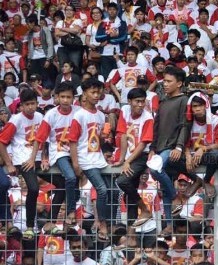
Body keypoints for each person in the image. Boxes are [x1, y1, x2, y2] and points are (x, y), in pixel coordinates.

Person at [68, 78, 116, 242]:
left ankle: (110, 222)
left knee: (114, 190)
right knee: (101, 190)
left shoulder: (101, 115)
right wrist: (75, 163)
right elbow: (72, 141)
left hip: (99, 158)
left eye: (98, 92)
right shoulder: (79, 115)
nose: (97, 95)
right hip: (85, 159)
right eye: (93, 92)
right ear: (85, 94)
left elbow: (100, 140)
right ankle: (102, 224)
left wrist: (104, 137)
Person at [148, 66, 191, 235]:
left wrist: (179, 146)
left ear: (179, 83)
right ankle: (169, 224)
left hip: (172, 147)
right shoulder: (163, 101)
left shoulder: (183, 100)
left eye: (168, 81)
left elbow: (185, 125)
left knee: (154, 169)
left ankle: (175, 197)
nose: (164, 84)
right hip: (160, 148)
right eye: (164, 81)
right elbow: (156, 127)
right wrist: (152, 148)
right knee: (164, 188)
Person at [0, 88, 43, 240]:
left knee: (63, 181)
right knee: (33, 188)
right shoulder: (16, 120)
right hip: (23, 160)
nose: (31, 107)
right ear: (21, 106)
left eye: (34, 103)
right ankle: (30, 226)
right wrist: (9, 164)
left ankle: (52, 221)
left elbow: (44, 138)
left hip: (37, 158)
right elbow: (2, 142)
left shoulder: (40, 116)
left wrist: (44, 157)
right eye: (28, 104)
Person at [34, 82, 80, 223]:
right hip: (59, 152)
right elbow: (41, 138)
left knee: (67, 186)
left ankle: (53, 221)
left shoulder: (78, 111)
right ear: (57, 98)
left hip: (78, 151)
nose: (65, 100)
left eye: (68, 97)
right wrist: (43, 158)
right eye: (63, 97)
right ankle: (71, 211)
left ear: (73, 98)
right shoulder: (51, 114)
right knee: (71, 178)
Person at [114, 88, 154, 227]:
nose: (140, 105)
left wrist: (128, 161)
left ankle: (144, 209)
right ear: (129, 101)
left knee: (123, 181)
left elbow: (143, 144)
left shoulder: (148, 117)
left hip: (141, 155)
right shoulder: (124, 110)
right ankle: (131, 234)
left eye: (143, 102)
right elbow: (123, 135)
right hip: (129, 155)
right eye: (137, 101)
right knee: (130, 194)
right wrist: (122, 159)